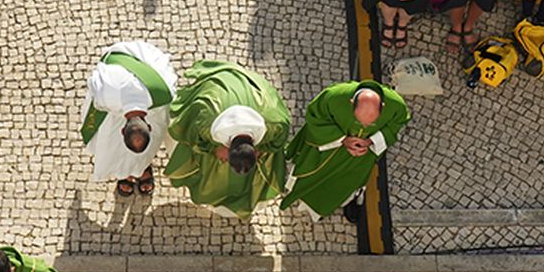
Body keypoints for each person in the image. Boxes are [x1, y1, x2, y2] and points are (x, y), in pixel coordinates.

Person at [164, 59, 291, 218]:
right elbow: (190, 134)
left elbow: (278, 141)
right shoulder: (205, 124)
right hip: (218, 90)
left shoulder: (276, 126)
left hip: (253, 89)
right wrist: (213, 148)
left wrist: (263, 149)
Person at [283, 80, 409, 221]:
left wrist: (371, 141)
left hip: (362, 156)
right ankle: (307, 202)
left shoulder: (397, 106)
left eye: (370, 123)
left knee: (347, 183)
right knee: (313, 177)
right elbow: (315, 117)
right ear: (351, 102)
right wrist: (343, 139)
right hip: (327, 149)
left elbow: (396, 124)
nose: (364, 127)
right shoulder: (333, 96)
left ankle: (342, 201)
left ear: (383, 106)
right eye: (359, 121)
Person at [81, 40, 176, 197]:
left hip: (141, 69)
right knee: (113, 141)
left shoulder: (105, 96)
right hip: (140, 66)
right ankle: (133, 169)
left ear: (123, 130)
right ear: (149, 127)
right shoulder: (163, 94)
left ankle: (141, 167)